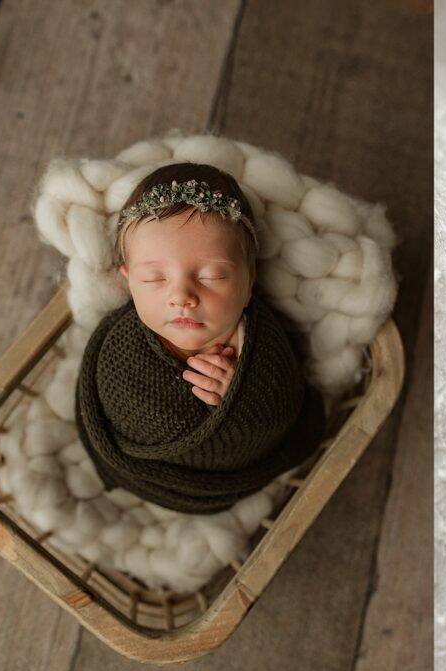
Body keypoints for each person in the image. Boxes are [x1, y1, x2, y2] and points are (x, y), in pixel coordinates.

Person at [75, 162, 325, 515]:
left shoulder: (262, 345)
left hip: (230, 473)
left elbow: (283, 404)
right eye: (154, 279)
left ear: (249, 281)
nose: (181, 296)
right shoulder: (121, 348)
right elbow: (104, 399)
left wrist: (241, 396)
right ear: (129, 280)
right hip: (145, 473)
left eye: (210, 276)